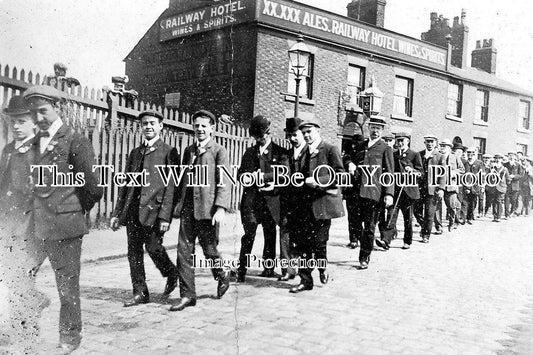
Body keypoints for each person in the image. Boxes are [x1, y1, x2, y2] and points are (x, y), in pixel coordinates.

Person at [23, 85, 102, 352]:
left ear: (57, 109)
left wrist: (70, 210)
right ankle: (24, 331)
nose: (38, 117)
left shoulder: (75, 140)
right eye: (34, 113)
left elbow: (92, 187)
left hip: (65, 228)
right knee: (19, 278)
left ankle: (69, 338)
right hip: (34, 227)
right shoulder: (32, 143)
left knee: (67, 288)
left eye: (43, 111)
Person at [110, 110, 179, 307]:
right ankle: (140, 292)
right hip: (133, 211)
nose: (148, 127)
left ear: (160, 126)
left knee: (154, 247)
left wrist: (165, 217)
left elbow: (171, 187)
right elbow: (126, 185)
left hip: (154, 212)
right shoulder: (135, 153)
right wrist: (117, 213)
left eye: (152, 123)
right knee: (133, 252)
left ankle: (171, 273)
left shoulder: (168, 151)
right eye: (144, 124)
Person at [170, 110, 230, 311]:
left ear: (212, 128)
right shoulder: (189, 150)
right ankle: (187, 295)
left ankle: (222, 273)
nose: (200, 129)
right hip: (188, 208)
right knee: (183, 251)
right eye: (197, 126)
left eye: (204, 126)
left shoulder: (219, 151)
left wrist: (220, 207)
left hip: (207, 209)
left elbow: (224, 181)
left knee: (209, 250)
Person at [0, 95, 44, 354]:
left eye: (22, 121)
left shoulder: (41, 152)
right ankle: (22, 324)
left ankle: (28, 333)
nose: (16, 126)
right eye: (13, 121)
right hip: (6, 227)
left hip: (30, 230)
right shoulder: (7, 151)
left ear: (34, 124)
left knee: (21, 279)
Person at [289, 118, 344, 292]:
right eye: (303, 132)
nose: (306, 135)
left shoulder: (329, 149)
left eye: (309, 132)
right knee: (304, 243)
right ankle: (305, 280)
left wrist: (319, 181)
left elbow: (340, 174)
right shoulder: (303, 152)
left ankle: (322, 267)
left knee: (319, 242)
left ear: (318, 131)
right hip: (304, 206)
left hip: (322, 206)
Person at [237, 115, 289, 281]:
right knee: (249, 234)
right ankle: (241, 269)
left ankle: (268, 268)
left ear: (269, 133)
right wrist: (250, 177)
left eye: (262, 136)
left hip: (271, 201)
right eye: (256, 137)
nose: (259, 139)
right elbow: (240, 175)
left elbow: (284, 173)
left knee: (270, 234)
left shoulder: (280, 153)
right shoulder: (249, 153)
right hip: (251, 202)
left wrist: (265, 177)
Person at [344, 117, 394, 269]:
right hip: (356, 193)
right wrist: (350, 163)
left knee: (370, 227)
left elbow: (389, 172)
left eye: (378, 128)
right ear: (368, 127)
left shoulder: (385, 148)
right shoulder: (360, 145)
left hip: (374, 193)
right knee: (356, 224)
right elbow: (346, 157)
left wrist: (389, 194)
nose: (375, 130)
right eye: (373, 127)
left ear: (382, 130)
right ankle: (362, 246)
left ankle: (364, 256)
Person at [376, 132, 422, 250]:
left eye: (402, 140)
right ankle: (386, 241)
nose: (400, 143)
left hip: (408, 192)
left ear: (408, 141)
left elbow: (420, 172)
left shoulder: (414, 154)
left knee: (408, 219)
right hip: (396, 191)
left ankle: (407, 241)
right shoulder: (393, 154)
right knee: (391, 215)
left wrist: (412, 170)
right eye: (398, 140)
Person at [278, 117, 307, 281]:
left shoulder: (310, 153)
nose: (292, 139)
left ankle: (303, 270)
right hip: (288, 201)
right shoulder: (286, 155)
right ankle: (288, 269)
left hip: (305, 202)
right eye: (289, 136)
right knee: (285, 233)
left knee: (303, 236)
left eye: (295, 135)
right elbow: (283, 174)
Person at [413, 134, 445, 243]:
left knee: (429, 213)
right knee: (416, 211)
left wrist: (441, 188)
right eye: (428, 142)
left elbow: (443, 174)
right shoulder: (419, 154)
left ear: (435, 143)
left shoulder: (440, 156)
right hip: (419, 188)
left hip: (432, 189)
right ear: (425, 143)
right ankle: (424, 226)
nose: (430, 144)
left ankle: (426, 235)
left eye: (432, 142)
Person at [343, 133, 364, 249]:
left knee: (359, 217)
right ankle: (353, 239)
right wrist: (349, 163)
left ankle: (359, 238)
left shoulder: (365, 155)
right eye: (354, 143)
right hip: (351, 190)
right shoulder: (349, 155)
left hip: (362, 190)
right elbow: (345, 160)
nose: (355, 146)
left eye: (358, 143)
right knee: (352, 216)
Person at [438, 139, 465, 232]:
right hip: (438, 185)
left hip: (451, 185)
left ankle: (452, 222)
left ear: (449, 148)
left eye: (444, 146)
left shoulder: (455, 157)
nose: (442, 148)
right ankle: (439, 226)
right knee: (437, 206)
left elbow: (462, 169)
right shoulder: (437, 156)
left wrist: (454, 172)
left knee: (451, 205)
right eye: (441, 146)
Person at [462, 147, 484, 224]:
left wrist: (482, 186)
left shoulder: (479, 163)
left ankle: (470, 216)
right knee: (465, 202)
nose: (470, 156)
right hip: (466, 186)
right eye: (469, 154)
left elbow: (482, 175)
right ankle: (464, 218)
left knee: (473, 202)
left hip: (475, 187)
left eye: (472, 154)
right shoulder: (465, 163)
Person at [487, 154, 509, 222]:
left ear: (501, 160)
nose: (497, 160)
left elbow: (508, 179)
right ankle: (495, 216)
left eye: (499, 159)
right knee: (493, 201)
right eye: (496, 159)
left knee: (499, 201)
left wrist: (505, 185)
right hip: (493, 187)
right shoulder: (492, 168)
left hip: (501, 187)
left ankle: (498, 216)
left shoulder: (504, 169)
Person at [504, 152, 523, 218]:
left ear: (515, 157)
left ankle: (512, 211)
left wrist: (514, 176)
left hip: (515, 186)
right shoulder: (505, 164)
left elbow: (521, 175)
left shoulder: (518, 165)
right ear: (508, 157)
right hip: (507, 185)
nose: (511, 157)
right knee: (506, 200)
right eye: (510, 156)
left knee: (513, 200)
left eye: (513, 156)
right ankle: (507, 214)